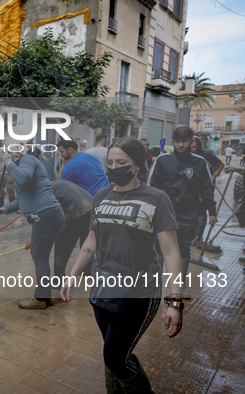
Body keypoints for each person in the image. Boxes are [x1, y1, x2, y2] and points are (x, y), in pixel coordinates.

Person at [62, 137, 183, 392]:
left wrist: (175, 301)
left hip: (139, 292)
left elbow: (171, 252)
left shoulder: (156, 199)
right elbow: (92, 238)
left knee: (115, 357)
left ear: (137, 165)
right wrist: (72, 273)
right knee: (112, 353)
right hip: (104, 288)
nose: (114, 167)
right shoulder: (101, 195)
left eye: (121, 162)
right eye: (110, 162)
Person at [148, 126, 217, 298]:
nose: (181, 145)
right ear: (172, 142)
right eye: (177, 141)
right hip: (164, 210)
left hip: (188, 212)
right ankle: (155, 283)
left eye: (184, 141)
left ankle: (180, 286)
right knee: (159, 245)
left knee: (184, 248)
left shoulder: (199, 162)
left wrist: (212, 212)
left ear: (191, 142)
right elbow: (151, 186)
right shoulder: (162, 160)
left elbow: (207, 188)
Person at [0, 146, 65, 309]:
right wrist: (4, 209)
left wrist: (7, 163)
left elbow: (24, 178)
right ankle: (45, 295)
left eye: (6, 158)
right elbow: (21, 198)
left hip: (46, 215)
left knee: (39, 257)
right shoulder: (20, 166)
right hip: (47, 216)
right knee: (40, 256)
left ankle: (39, 299)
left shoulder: (27, 160)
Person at [51, 180, 94, 279]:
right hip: (92, 208)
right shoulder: (55, 184)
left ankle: (58, 278)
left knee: (62, 244)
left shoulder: (42, 192)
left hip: (77, 210)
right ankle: (86, 271)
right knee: (86, 241)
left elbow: (51, 218)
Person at [190, 138, 224, 245]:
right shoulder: (188, 156)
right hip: (192, 187)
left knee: (201, 210)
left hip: (205, 186)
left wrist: (213, 176)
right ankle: (191, 235)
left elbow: (221, 165)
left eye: (194, 147)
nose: (192, 150)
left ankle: (198, 237)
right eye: (191, 147)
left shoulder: (206, 155)